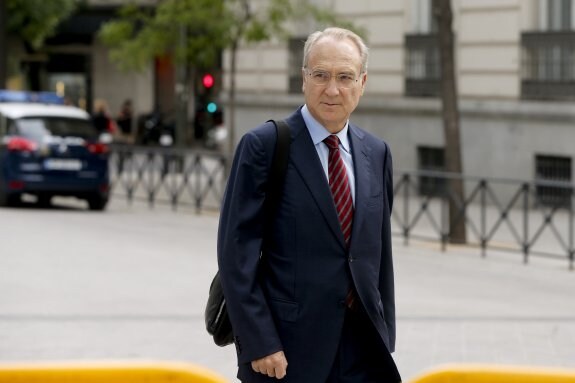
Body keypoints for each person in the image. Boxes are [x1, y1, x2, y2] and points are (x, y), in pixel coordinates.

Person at [217, 27, 401, 383]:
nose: (332, 89)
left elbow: (379, 256)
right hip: (285, 354)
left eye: (345, 77)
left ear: (362, 83)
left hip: (363, 352)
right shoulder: (264, 146)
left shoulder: (376, 153)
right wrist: (259, 343)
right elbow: (235, 256)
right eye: (321, 75)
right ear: (304, 79)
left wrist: (385, 331)